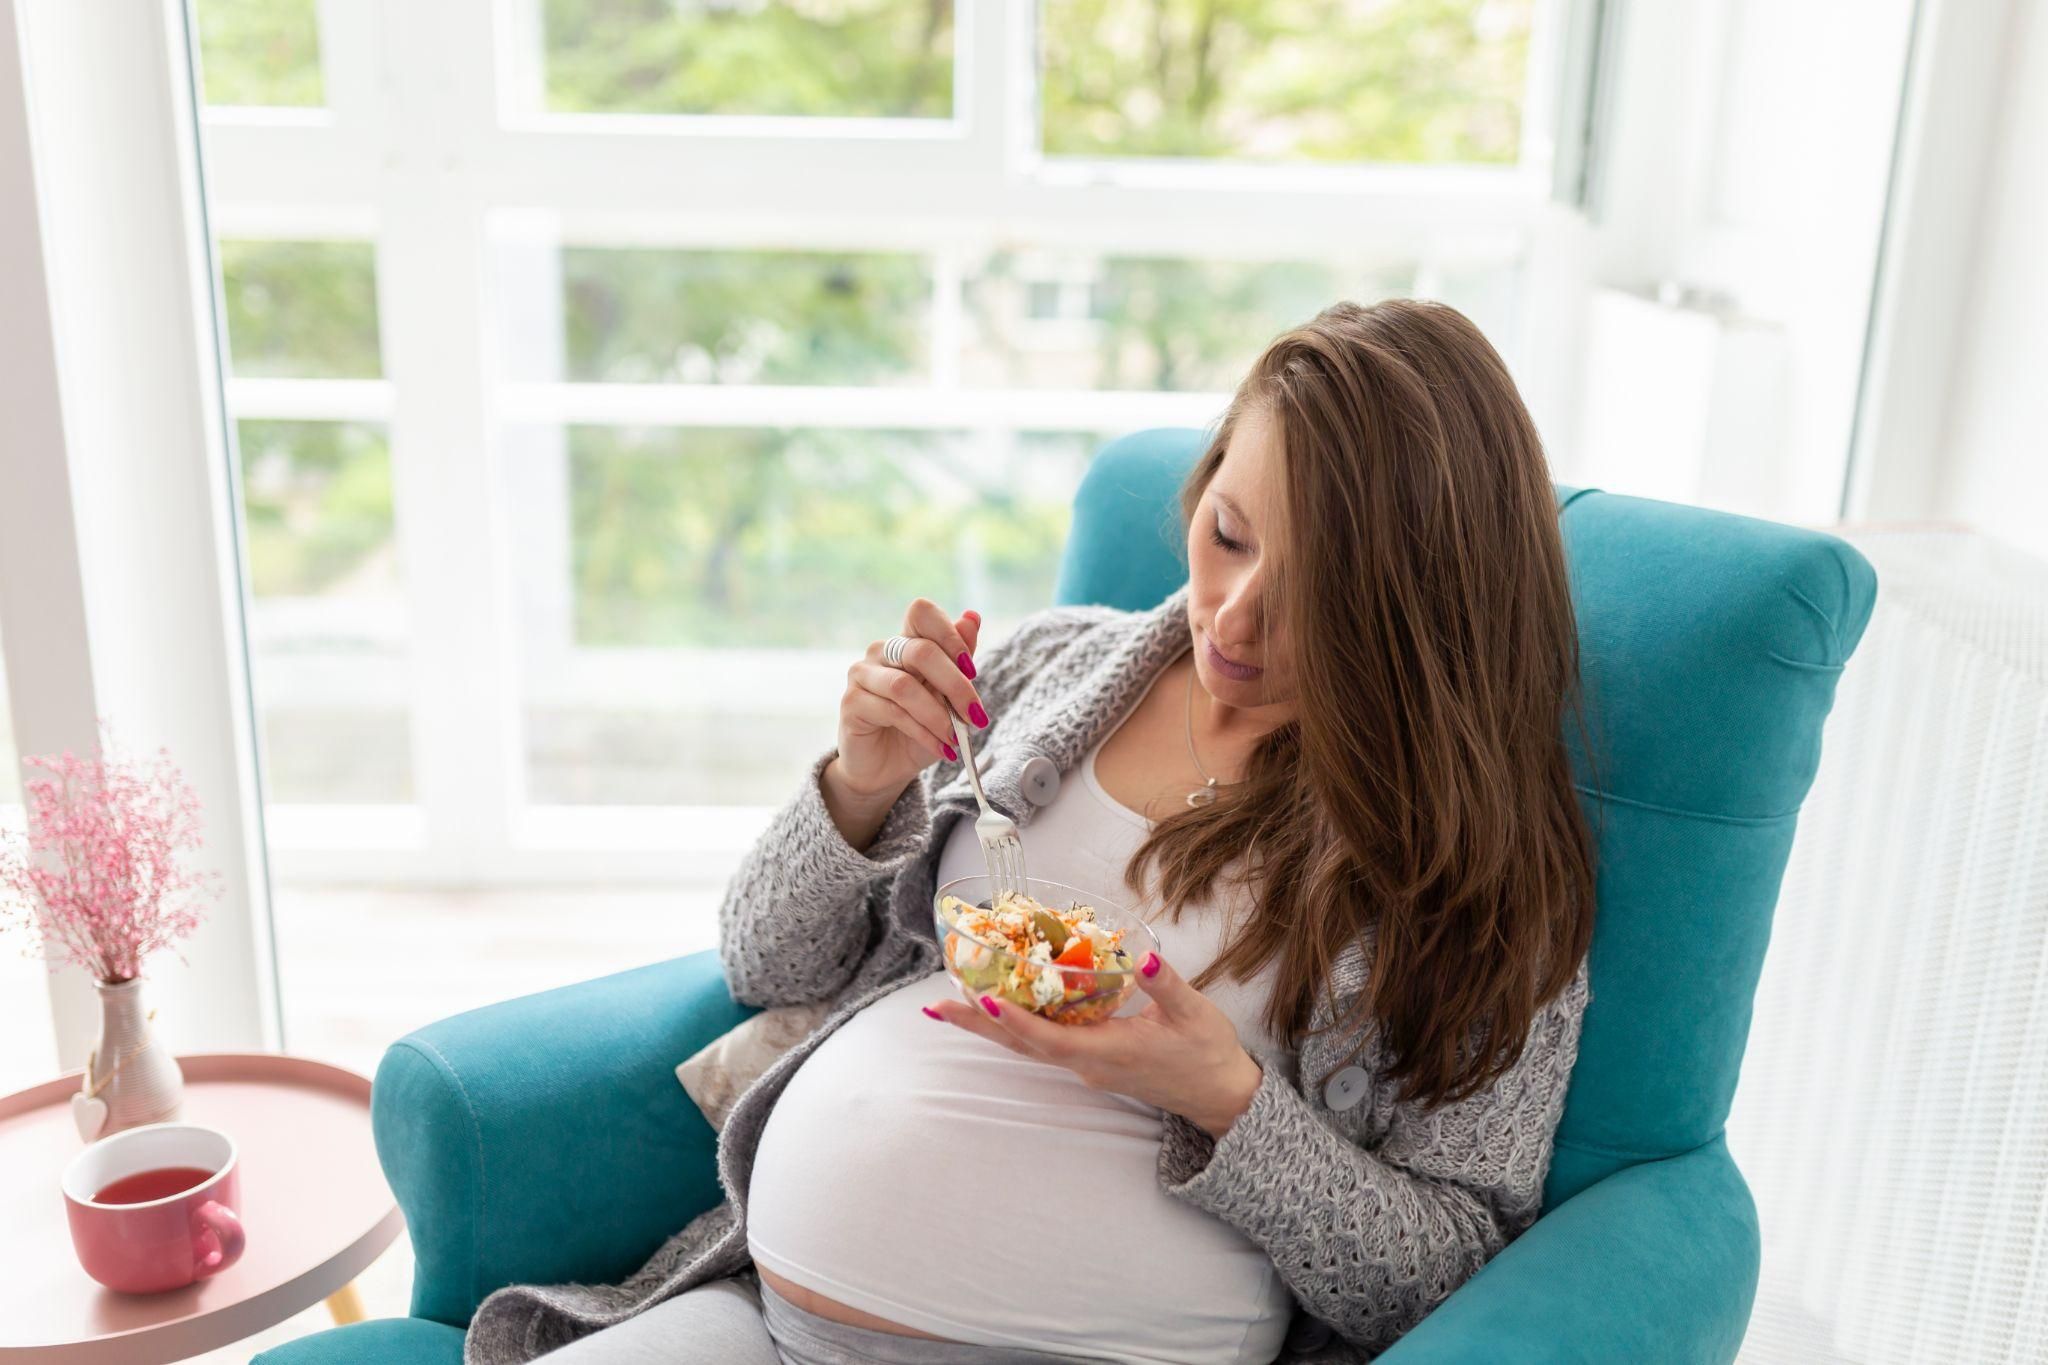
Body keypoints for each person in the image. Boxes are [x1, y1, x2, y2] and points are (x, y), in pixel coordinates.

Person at [466, 300, 1598, 1365]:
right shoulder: (1044, 670)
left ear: (1421, 604)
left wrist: (1227, 1099)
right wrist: (858, 787)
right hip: (765, 1320)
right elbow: (765, 962)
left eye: (1323, 593)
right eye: (1228, 534)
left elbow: (1442, 1279)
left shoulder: (1474, 870)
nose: (1236, 618)